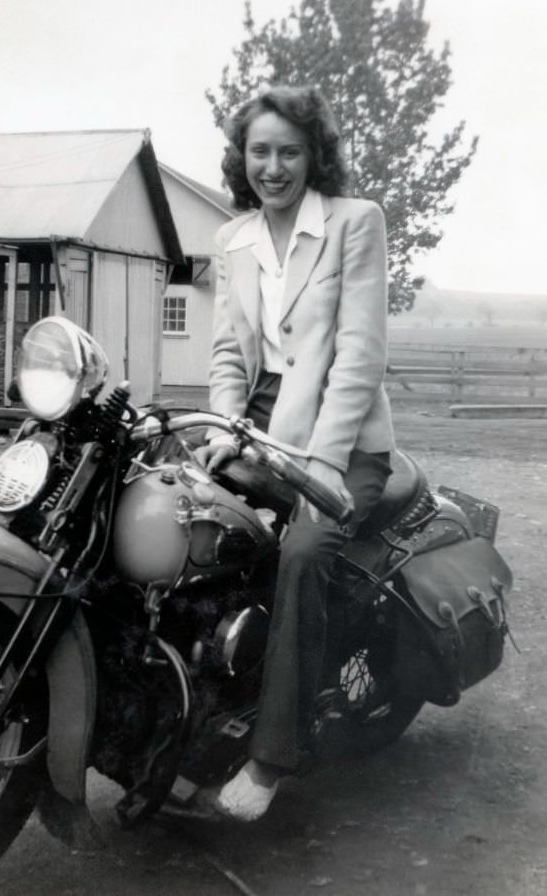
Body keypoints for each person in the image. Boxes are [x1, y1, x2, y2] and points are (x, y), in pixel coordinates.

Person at [198, 84, 396, 821]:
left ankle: (270, 756)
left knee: (304, 553)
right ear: (240, 157)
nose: (273, 167)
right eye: (260, 151)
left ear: (315, 156)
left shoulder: (355, 222)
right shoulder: (234, 238)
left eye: (289, 151)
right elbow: (227, 352)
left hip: (345, 442)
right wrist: (222, 427)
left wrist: (319, 464)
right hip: (255, 425)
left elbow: (358, 358)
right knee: (174, 523)